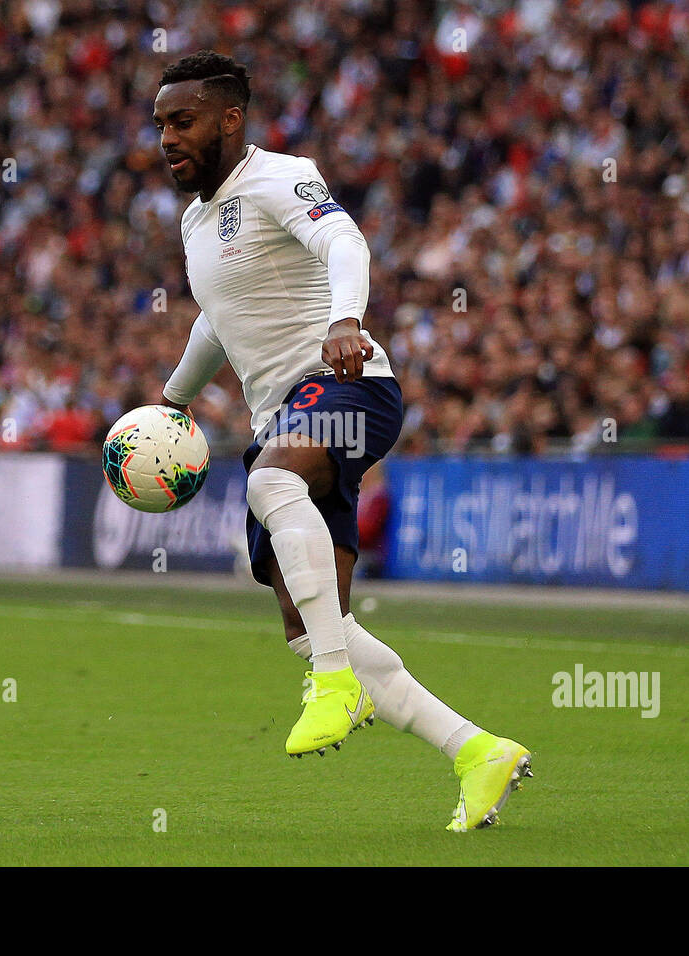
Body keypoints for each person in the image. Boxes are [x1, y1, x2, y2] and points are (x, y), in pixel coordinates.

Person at [153, 51, 530, 831]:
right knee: (314, 624)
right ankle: (475, 751)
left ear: (230, 118)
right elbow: (216, 322)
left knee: (269, 483)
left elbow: (344, 243)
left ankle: (335, 687)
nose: (165, 137)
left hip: (350, 386)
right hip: (287, 420)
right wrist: (172, 401)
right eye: (159, 123)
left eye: (181, 120)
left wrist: (345, 320)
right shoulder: (195, 220)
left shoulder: (281, 176)